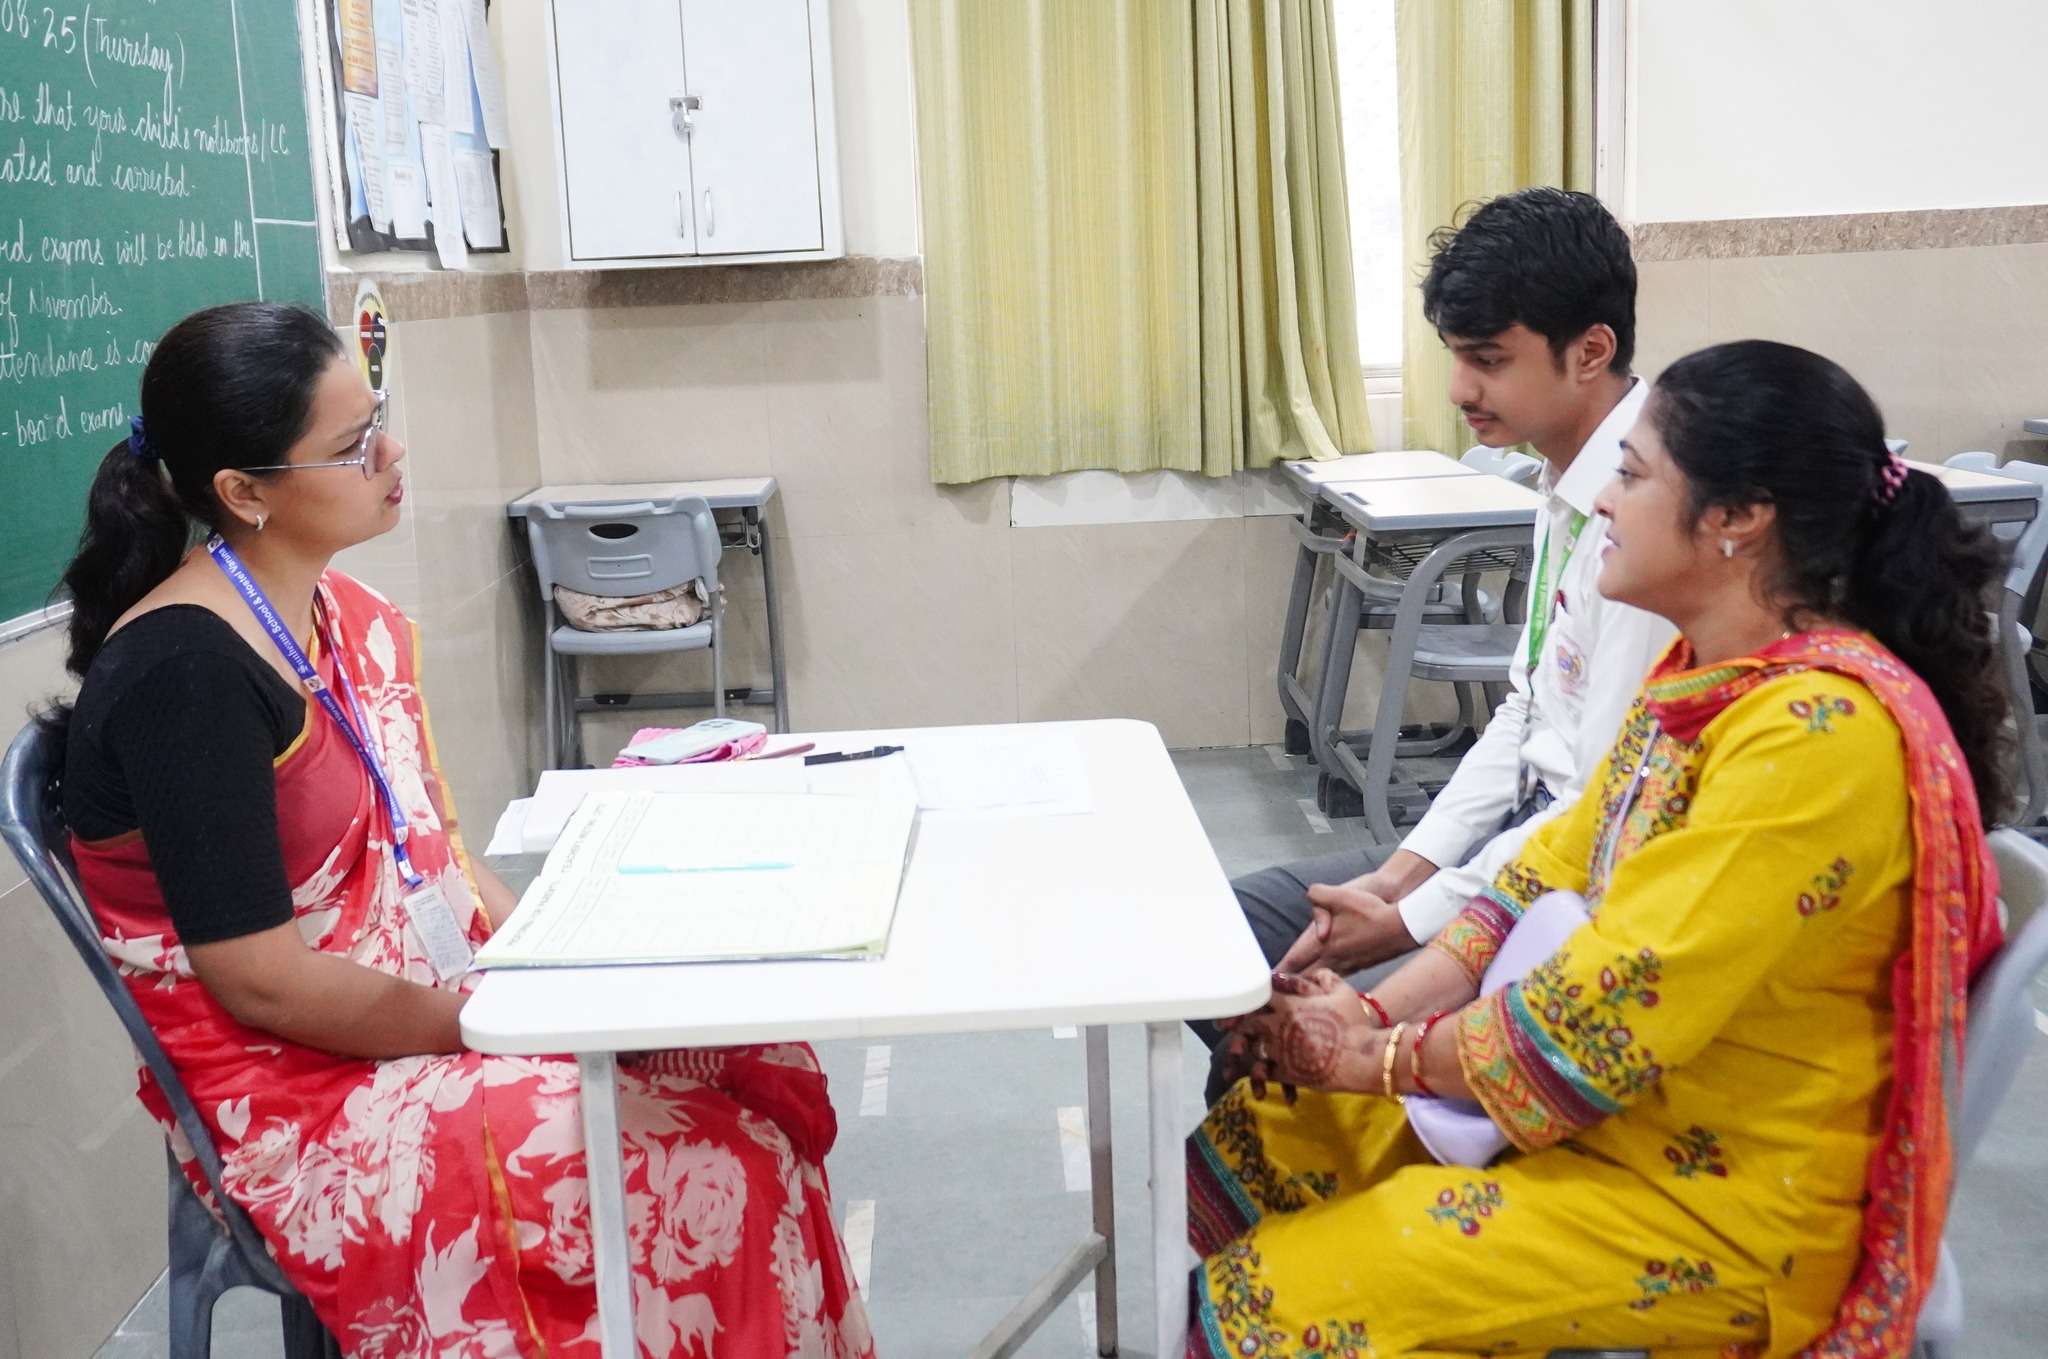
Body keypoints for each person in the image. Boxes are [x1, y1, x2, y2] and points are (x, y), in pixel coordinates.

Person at [50, 303, 873, 1358]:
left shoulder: (324, 610)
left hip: (420, 1009)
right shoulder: (187, 675)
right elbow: (262, 981)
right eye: (353, 447)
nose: (391, 453)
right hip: (307, 1094)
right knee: (712, 1168)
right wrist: (490, 1021)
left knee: (752, 1060)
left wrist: (555, 966)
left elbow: (430, 849)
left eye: (378, 418)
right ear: (243, 492)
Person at [1187, 340, 2008, 1359]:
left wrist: (1378, 1057)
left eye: (1630, 476)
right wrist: (1369, 1022)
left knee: (1288, 1293)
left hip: (1721, 1200)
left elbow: (1605, 1018)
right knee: (1275, 1131)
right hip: (1625, 1124)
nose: (1606, 505)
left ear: (1736, 518)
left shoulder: (1815, 737)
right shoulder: (1701, 678)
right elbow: (1539, 874)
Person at [1209, 190, 1675, 1088]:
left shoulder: (1652, 518)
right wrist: (1401, 871)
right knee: (1221, 943)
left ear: (1591, 351)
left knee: (1271, 1040)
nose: (1461, 389)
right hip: (1516, 834)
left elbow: (1592, 813)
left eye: (1488, 360)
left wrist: (1416, 918)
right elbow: (1526, 707)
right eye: (1456, 356)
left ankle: (1333, 1190)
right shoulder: (1563, 480)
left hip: (1572, 884)